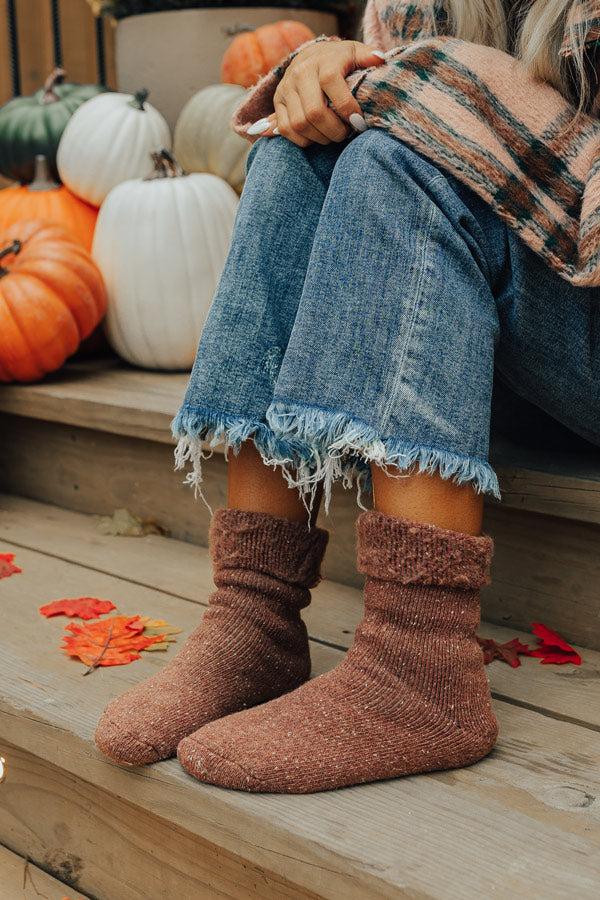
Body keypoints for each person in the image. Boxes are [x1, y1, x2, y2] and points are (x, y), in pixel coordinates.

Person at [95, 0, 600, 793]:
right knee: (308, 150)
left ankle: (420, 661)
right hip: (511, 352)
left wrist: (464, 91)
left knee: (403, 147)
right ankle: (253, 614)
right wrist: (332, 73)